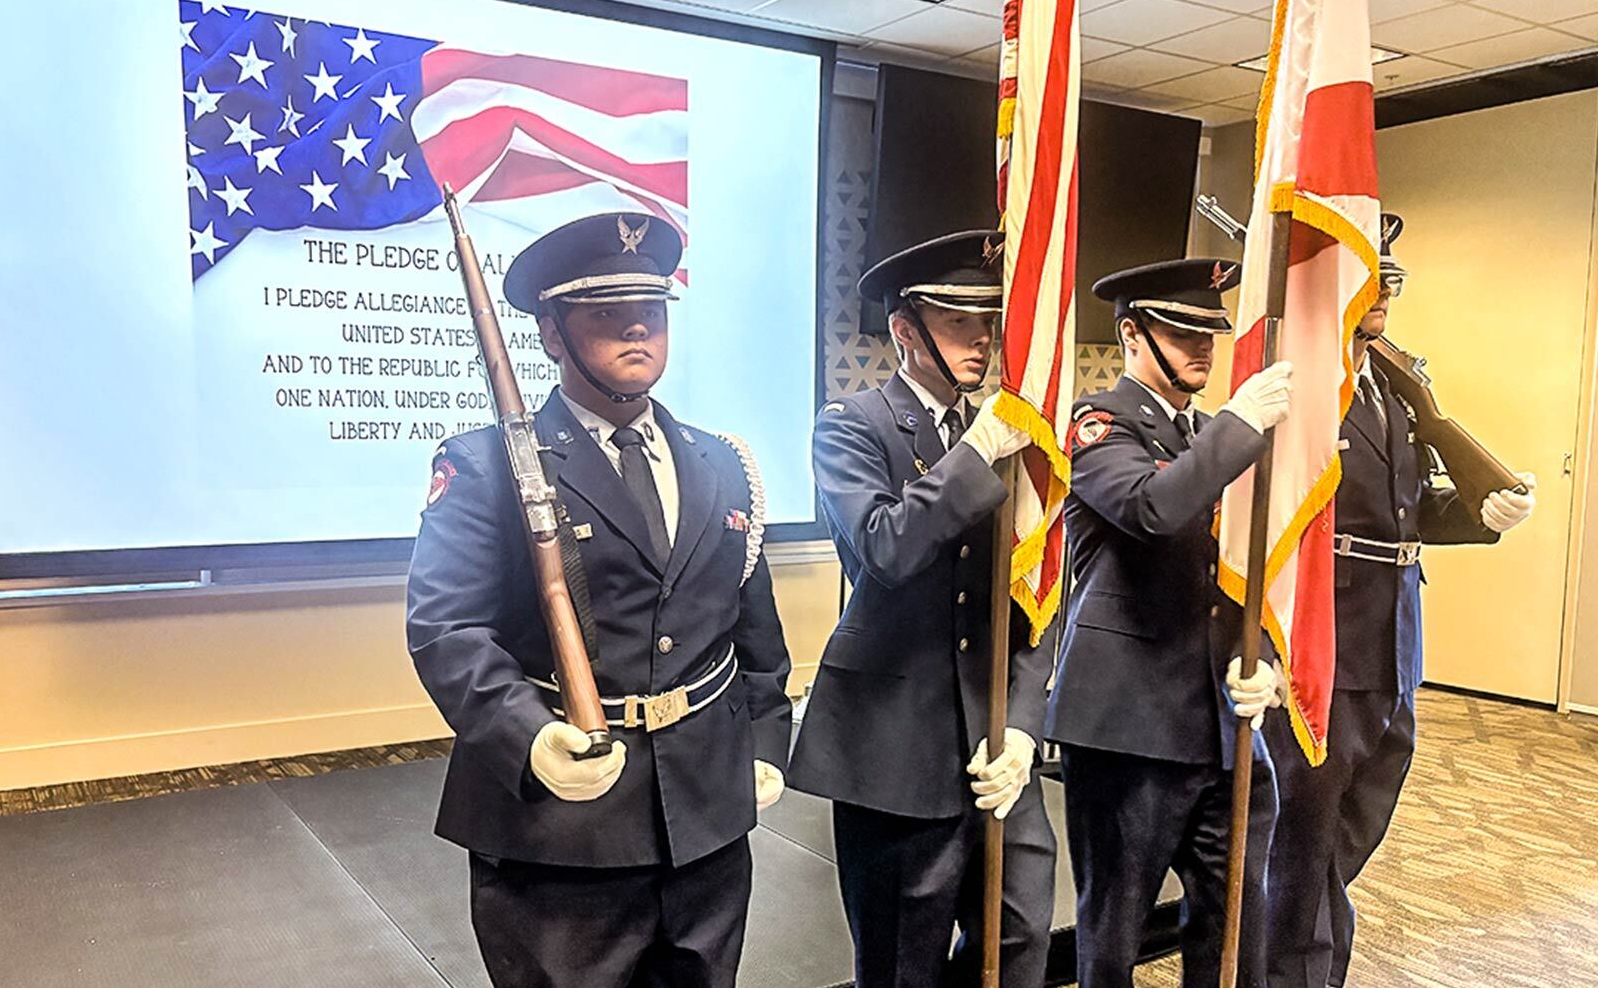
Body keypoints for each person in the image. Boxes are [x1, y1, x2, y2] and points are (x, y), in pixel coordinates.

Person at [405, 211, 793, 988]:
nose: (636, 332)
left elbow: (752, 631)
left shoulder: (721, 463)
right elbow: (446, 629)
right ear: (551, 333)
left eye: (648, 313)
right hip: (564, 832)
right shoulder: (484, 467)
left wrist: (762, 743)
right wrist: (528, 734)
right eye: (607, 316)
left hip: (705, 823)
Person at [1263, 215, 1536, 988]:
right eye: (1368, 274)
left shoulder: (1392, 383)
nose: (1384, 290)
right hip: (1325, 641)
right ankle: (1293, 971)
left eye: (1391, 277)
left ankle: (1305, 957)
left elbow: (1405, 506)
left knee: (1351, 828)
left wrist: (1476, 514)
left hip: (1394, 643)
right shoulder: (1300, 382)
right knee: (1304, 836)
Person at [789, 230, 1058, 986]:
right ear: (906, 331)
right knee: (902, 962)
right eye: (956, 321)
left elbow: (1039, 595)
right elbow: (886, 547)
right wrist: (976, 453)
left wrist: (1026, 730)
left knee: (1019, 944)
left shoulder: (1011, 441)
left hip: (996, 739)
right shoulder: (851, 425)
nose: (980, 339)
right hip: (896, 746)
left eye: (987, 321)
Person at [1046, 258, 1293, 988]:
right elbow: (1155, 509)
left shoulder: (1218, 430)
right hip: (1129, 725)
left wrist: (1268, 657)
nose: (1204, 348)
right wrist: (1243, 424)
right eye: (1182, 331)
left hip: (1219, 718)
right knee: (1114, 932)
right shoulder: (1100, 422)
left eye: (1210, 331)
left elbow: (1253, 560)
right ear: (1132, 334)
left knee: (1233, 925)